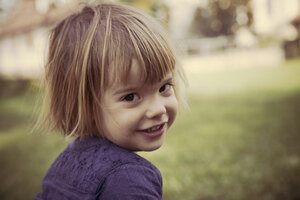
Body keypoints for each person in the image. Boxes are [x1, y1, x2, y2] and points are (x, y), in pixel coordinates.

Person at [35, 2, 186, 200]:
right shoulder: (129, 179)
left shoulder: (64, 162)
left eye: (164, 87)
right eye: (130, 97)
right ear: (84, 104)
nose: (158, 109)